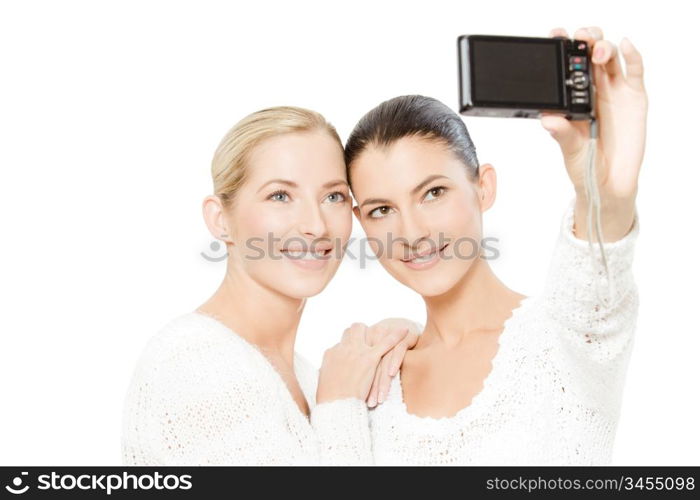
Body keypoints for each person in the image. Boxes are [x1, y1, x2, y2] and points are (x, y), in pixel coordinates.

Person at [337, 26, 646, 465]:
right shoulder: (374, 377)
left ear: (483, 187)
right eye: (381, 210)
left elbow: (593, 283)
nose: (412, 232)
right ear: (361, 223)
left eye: (433, 193)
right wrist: (336, 402)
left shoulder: (565, 338)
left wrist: (603, 197)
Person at [121, 106, 420, 465]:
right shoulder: (194, 362)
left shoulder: (304, 376)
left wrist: (403, 343)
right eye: (280, 195)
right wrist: (340, 402)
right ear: (220, 220)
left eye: (333, 197)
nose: (315, 225)